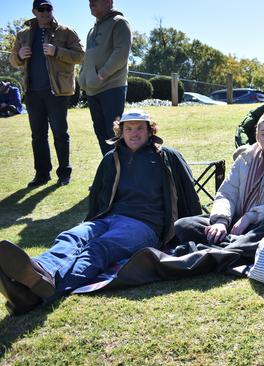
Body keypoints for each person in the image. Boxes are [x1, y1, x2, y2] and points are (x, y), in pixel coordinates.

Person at [0, 109, 202, 315]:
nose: (134, 133)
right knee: (71, 237)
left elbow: (188, 193)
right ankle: (37, 271)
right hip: (107, 218)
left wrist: (192, 230)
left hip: (144, 226)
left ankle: (38, 294)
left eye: (140, 128)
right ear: (120, 131)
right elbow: (98, 197)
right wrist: (92, 223)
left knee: (98, 249)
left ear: (150, 131)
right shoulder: (111, 158)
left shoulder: (166, 156)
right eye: (129, 128)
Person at [175, 113, 264, 245]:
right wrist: (221, 221)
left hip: (262, 224)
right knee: (184, 225)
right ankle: (232, 245)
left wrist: (250, 217)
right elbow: (226, 194)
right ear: (257, 136)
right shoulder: (244, 159)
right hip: (233, 220)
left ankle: (227, 246)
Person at [9, 0, 84, 187]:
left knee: (60, 133)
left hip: (57, 91)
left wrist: (57, 51)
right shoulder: (23, 35)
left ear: (52, 10)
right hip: (33, 92)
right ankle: (42, 174)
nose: (44, 12)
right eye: (40, 9)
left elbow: (81, 55)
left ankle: (64, 174)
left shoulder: (66, 31)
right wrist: (19, 56)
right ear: (34, 11)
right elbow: (12, 59)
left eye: (48, 8)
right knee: (38, 135)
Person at [79, 0, 132, 155]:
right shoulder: (91, 30)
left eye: (96, 0)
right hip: (92, 90)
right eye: (89, 1)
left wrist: (101, 75)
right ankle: (110, 169)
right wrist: (83, 78)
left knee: (114, 134)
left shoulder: (120, 23)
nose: (91, 3)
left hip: (112, 87)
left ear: (109, 2)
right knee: (101, 133)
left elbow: (121, 54)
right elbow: (88, 57)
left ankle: (123, 172)